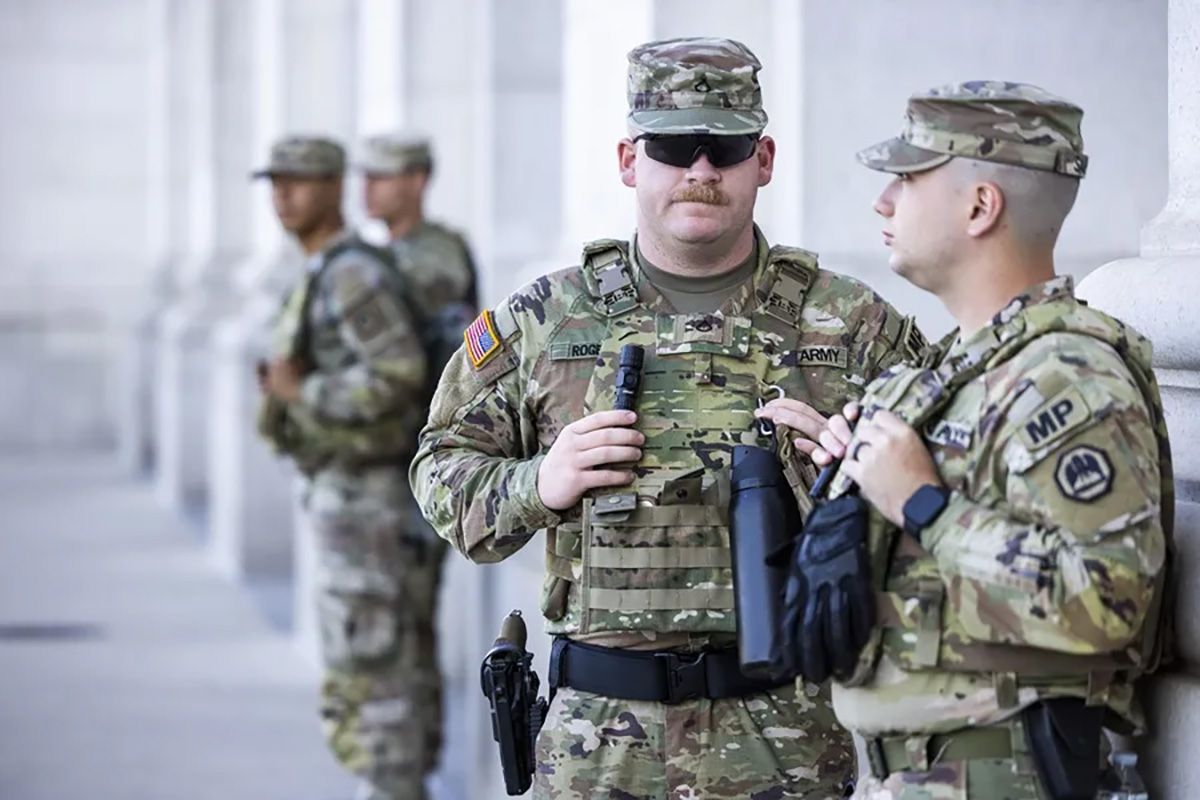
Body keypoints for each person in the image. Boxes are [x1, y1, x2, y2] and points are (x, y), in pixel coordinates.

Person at [411, 38, 924, 799]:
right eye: (675, 147)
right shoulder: (545, 319)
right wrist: (538, 484)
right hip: (597, 747)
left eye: (726, 148)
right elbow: (438, 470)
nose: (701, 171)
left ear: (764, 160)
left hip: (785, 742)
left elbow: (942, 504)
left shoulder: (851, 324)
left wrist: (852, 487)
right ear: (629, 161)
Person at [799, 82, 1174, 799]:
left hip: (999, 774)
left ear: (980, 207)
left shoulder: (1065, 378)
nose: (883, 202)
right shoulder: (961, 371)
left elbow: (1109, 604)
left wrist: (926, 507)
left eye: (908, 178)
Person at [252, 135, 441, 800]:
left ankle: (391, 785)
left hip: (369, 499)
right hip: (351, 493)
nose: (283, 196)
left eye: (299, 181)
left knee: (375, 666)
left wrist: (303, 392)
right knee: (378, 661)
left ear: (334, 187)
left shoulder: (350, 273)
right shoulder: (325, 267)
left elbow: (397, 373)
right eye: (275, 182)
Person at [359, 132, 479, 374]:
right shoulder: (380, 252)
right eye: (366, 177)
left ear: (417, 181)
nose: (367, 188)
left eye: (381, 177)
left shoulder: (440, 250)